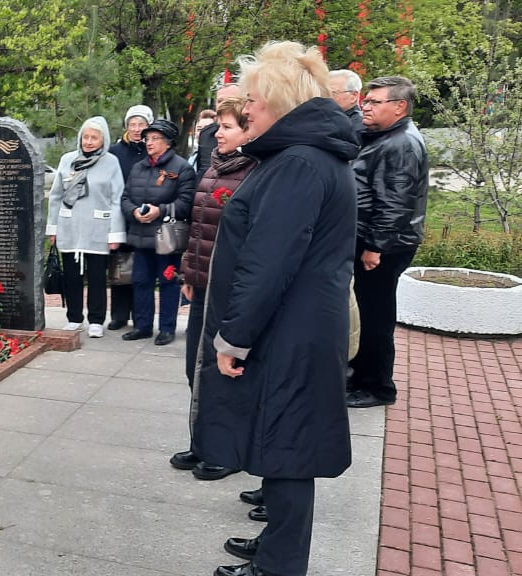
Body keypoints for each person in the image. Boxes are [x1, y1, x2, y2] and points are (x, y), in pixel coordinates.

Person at [193, 40, 358, 576]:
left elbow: (268, 262)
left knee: (287, 450)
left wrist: (233, 337)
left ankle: (280, 566)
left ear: (280, 104)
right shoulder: (301, 157)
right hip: (297, 325)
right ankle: (276, 546)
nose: (247, 112)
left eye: (254, 103)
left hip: (291, 329)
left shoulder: (299, 164)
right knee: (281, 441)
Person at [168, 96, 255, 482]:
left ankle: (229, 451)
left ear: (248, 132)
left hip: (231, 290)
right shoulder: (217, 167)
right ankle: (202, 442)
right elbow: (198, 228)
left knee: (225, 373)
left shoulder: (255, 172)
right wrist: (189, 273)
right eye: (217, 126)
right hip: (203, 284)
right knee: (197, 368)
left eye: (226, 127)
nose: (216, 133)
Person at [346, 75, 429, 409]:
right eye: (366, 100)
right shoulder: (383, 136)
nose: (365, 106)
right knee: (366, 312)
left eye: (375, 102)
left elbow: (395, 203)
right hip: (375, 239)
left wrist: (374, 247)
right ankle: (362, 373)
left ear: (399, 107)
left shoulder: (401, 144)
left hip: (385, 245)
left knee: (375, 316)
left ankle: (378, 387)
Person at [45, 116, 126, 338]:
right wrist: (52, 228)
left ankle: (96, 320)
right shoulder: (67, 160)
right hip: (70, 226)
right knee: (71, 276)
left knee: (98, 276)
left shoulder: (111, 163)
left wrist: (115, 232)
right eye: (86, 137)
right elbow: (55, 196)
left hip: (98, 228)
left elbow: (117, 198)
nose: (89, 142)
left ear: (103, 140)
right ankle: (73, 317)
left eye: (94, 138)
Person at [119, 119, 197, 346]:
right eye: (147, 139)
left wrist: (159, 211)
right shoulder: (138, 167)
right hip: (141, 235)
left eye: (154, 139)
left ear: (168, 143)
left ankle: (167, 328)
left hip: (167, 238)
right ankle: (142, 326)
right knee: (140, 281)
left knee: (168, 283)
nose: (149, 143)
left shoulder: (182, 168)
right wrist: (133, 212)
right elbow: (125, 198)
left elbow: (185, 203)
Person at [106, 105, 153, 331]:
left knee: (142, 268)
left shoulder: (152, 150)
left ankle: (140, 315)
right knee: (119, 266)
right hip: (120, 215)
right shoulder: (115, 151)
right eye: (132, 124)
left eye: (141, 124)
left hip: (145, 216)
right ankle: (119, 314)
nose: (136, 129)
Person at [194, 83, 242, 176]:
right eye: (220, 100)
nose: (224, 104)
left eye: (230, 100)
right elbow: (201, 168)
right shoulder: (206, 133)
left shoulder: (251, 132)